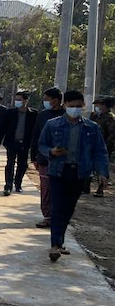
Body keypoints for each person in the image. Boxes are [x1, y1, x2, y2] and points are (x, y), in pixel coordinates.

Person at [39, 90, 110, 262]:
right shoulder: (52, 125)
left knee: (68, 209)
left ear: (83, 106)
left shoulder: (92, 128)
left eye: (79, 106)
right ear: (65, 105)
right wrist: (51, 152)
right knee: (57, 207)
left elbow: (99, 152)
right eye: (72, 106)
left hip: (79, 173)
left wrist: (102, 172)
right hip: (58, 171)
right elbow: (42, 144)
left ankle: (59, 241)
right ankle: (55, 244)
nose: (75, 109)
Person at [29, 87, 64, 227]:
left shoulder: (66, 116)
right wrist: (34, 156)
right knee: (46, 189)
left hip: (63, 160)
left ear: (55, 100)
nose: (44, 101)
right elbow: (36, 136)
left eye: (46, 99)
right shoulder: (43, 115)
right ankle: (47, 216)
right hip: (44, 158)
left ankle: (59, 216)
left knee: (61, 189)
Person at [0, 90, 37, 196]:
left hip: (25, 143)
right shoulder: (10, 113)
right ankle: (8, 185)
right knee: (10, 163)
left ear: (26, 100)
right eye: (16, 99)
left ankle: (18, 183)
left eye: (19, 100)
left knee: (22, 165)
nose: (17, 102)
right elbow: (3, 128)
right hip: (11, 142)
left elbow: (36, 130)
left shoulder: (33, 114)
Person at [91, 96, 115, 196]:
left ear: (104, 105)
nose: (97, 107)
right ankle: (86, 187)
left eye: (99, 105)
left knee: (102, 167)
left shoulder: (110, 117)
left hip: (104, 146)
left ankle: (100, 188)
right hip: (94, 145)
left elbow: (112, 134)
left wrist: (106, 146)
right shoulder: (98, 116)